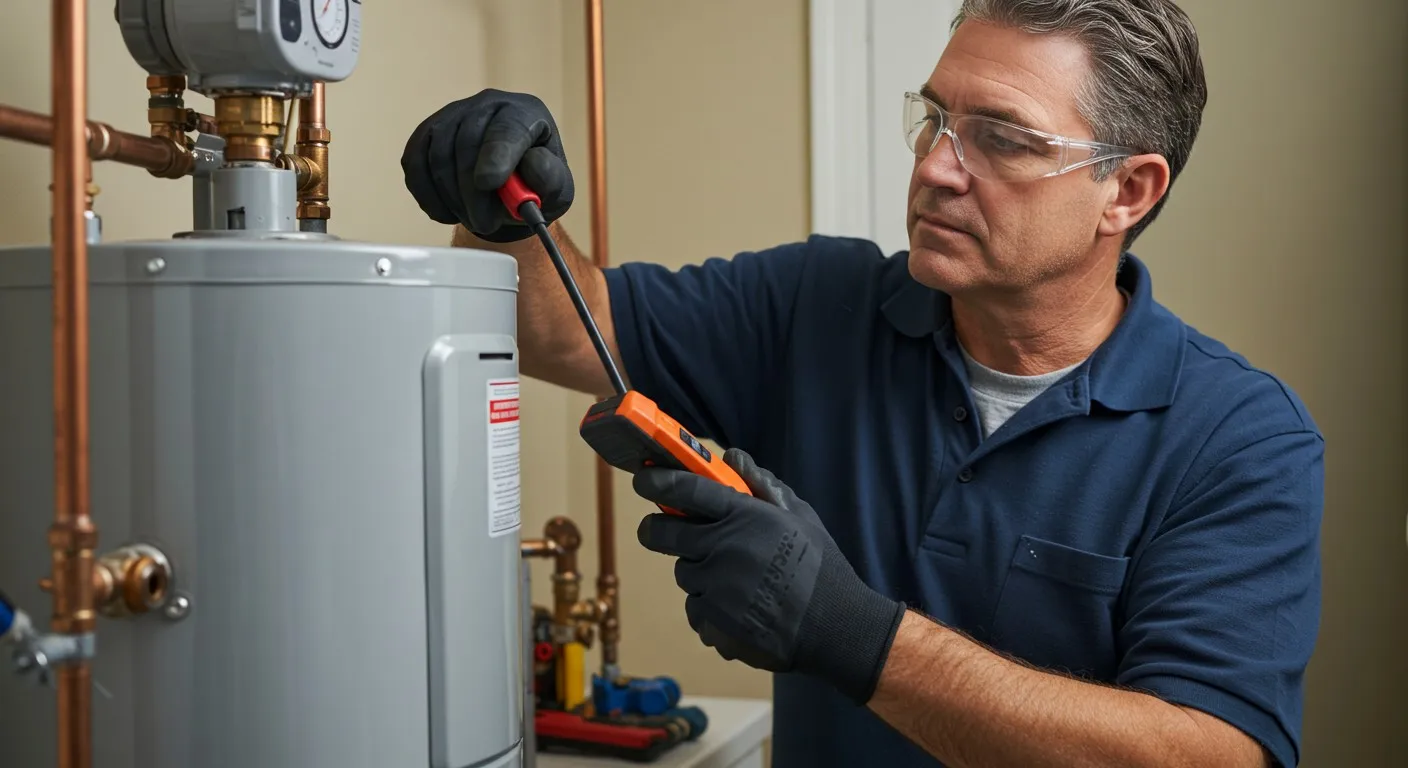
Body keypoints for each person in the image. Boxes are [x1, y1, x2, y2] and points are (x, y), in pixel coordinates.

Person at [401, 1, 1323, 765]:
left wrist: (848, 631)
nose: (933, 168)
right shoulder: (819, 304)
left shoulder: (1238, 437)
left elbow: (1207, 751)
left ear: (1127, 191)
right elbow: (554, 326)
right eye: (937, 119)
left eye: (999, 140)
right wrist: (502, 202)